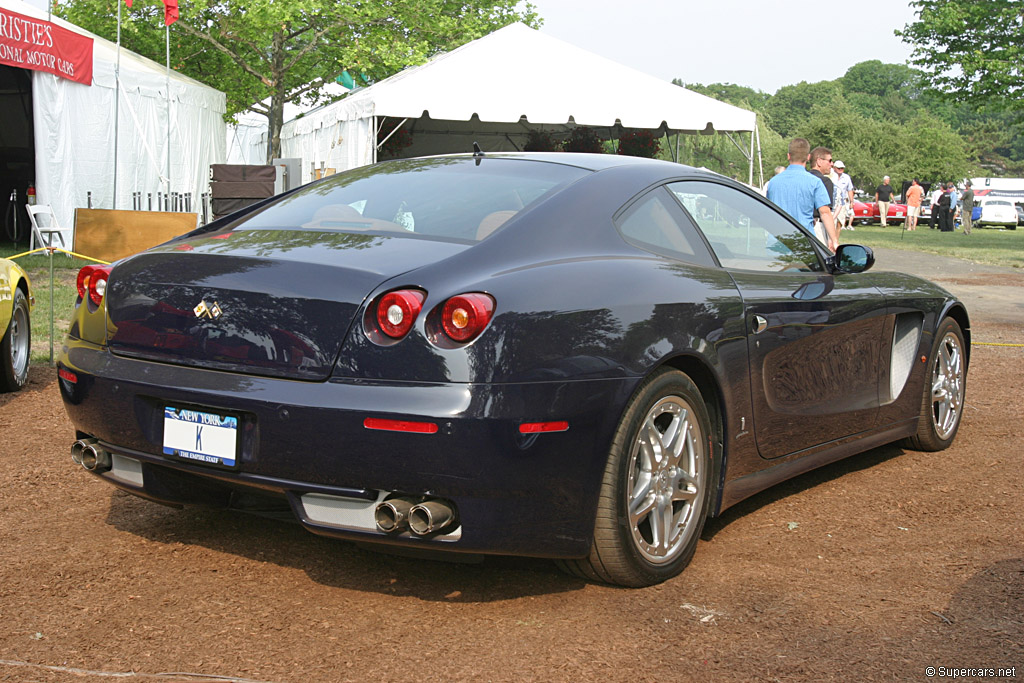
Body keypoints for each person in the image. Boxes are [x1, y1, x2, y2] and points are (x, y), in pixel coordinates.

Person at [766, 138, 837, 250]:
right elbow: (825, 213)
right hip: (803, 242)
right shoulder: (815, 182)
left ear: (788, 156)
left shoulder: (773, 182)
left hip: (777, 241)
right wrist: (834, 240)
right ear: (808, 157)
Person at [808, 147, 835, 244]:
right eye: (830, 160)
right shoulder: (825, 181)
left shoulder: (804, 179)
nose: (832, 164)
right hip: (818, 227)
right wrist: (833, 239)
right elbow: (826, 213)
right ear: (819, 161)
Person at [833, 161, 855, 230]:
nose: (840, 169)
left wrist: (851, 202)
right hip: (832, 201)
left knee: (840, 222)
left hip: (842, 201)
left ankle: (836, 239)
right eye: (839, 168)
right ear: (834, 168)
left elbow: (850, 190)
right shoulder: (831, 176)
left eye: (842, 168)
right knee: (832, 221)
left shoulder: (846, 177)